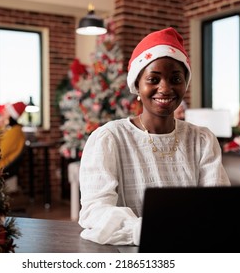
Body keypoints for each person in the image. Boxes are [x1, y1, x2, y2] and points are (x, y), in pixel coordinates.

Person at [78, 27, 230, 246]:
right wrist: (149, 229)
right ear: (137, 85)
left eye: (175, 78)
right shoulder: (109, 138)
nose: (165, 88)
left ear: (185, 84)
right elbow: (95, 211)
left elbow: (219, 206)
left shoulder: (202, 139)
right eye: (153, 79)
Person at [0, 101, 26, 192]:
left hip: (0, 166)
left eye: (6, 111)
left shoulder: (14, 132)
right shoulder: (11, 130)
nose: (3, 112)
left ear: (11, 115)